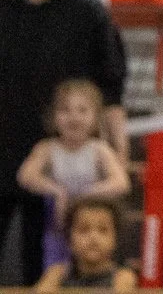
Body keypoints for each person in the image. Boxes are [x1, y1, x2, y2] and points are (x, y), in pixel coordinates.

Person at [1, 0, 127, 291]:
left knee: (41, 263)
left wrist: (120, 153)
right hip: (6, 151)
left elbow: (112, 92)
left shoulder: (87, 14)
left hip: (60, 163)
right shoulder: (4, 6)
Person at [15, 81, 128, 273]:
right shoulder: (47, 148)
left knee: (91, 269)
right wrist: (57, 191)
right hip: (58, 228)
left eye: (82, 110)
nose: (73, 117)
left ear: (95, 118)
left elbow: (121, 182)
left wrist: (86, 195)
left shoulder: (99, 149)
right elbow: (25, 176)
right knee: (57, 270)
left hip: (91, 226)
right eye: (65, 110)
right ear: (54, 116)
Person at [33, 197, 134, 291]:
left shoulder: (122, 277)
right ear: (69, 238)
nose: (93, 237)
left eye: (103, 230)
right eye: (84, 230)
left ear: (116, 238)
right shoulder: (57, 274)